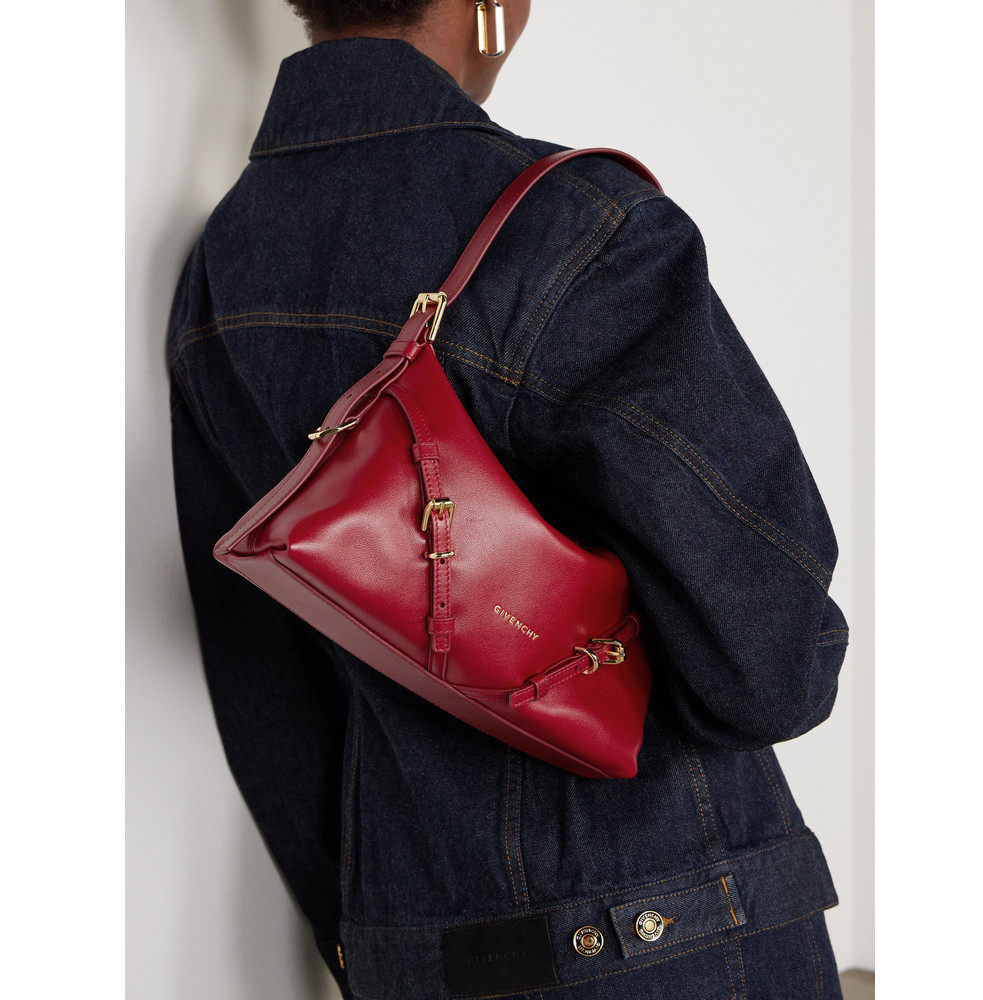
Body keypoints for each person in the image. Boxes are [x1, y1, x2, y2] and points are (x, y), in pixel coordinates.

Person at [169, 2, 849, 997]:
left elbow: (266, 680)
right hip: (672, 932)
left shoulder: (221, 266)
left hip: (410, 945)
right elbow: (771, 671)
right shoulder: (578, 225)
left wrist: (369, 940)